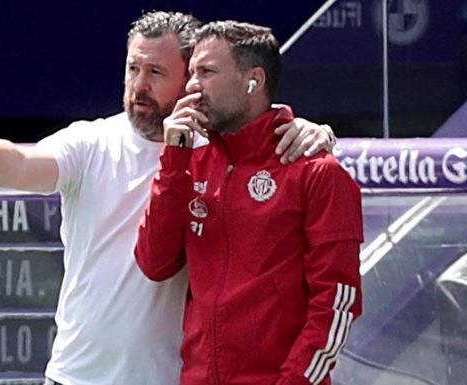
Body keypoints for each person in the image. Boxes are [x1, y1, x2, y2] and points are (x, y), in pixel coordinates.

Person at [0, 12, 336, 385]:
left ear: (190, 82)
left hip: (168, 377)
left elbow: (260, 131)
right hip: (76, 374)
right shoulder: (92, 141)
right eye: (133, 68)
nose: (138, 85)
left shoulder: (214, 152)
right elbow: (21, 165)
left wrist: (308, 128)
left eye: (155, 72)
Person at [135, 20, 363, 385]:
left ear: (253, 80)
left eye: (206, 72)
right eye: (192, 72)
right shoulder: (189, 161)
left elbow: (337, 304)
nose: (191, 86)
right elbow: (154, 263)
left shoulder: (317, 171)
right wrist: (174, 159)